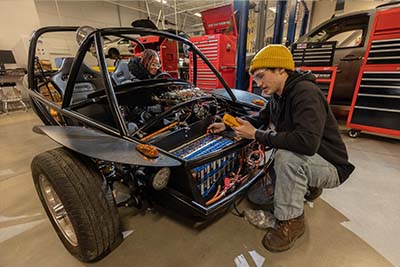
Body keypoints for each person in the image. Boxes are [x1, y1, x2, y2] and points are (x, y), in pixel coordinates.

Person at [207, 45, 355, 252]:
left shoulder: (306, 93)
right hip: (310, 159)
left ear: (281, 70)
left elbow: (307, 143)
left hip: (331, 165)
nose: (258, 84)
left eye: (261, 76)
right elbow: (260, 119)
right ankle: (309, 186)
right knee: (256, 198)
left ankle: (292, 222)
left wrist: (257, 135)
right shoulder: (278, 96)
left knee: (286, 157)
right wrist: (230, 124)